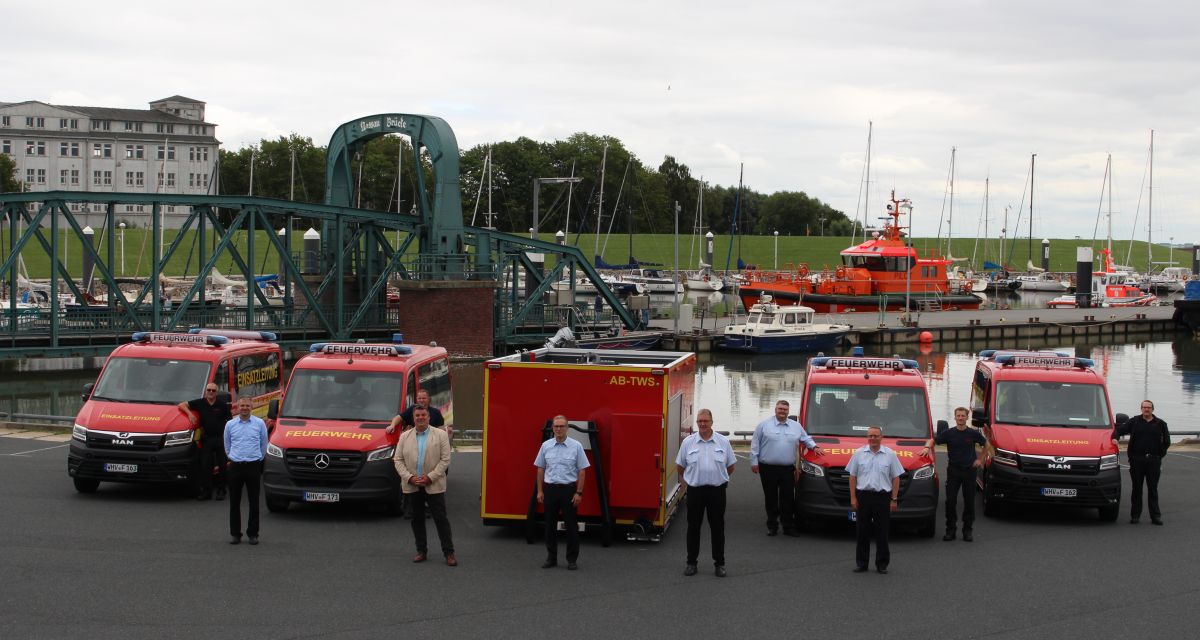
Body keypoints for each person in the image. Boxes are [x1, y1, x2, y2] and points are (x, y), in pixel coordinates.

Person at [750, 399, 824, 537]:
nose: (782, 411)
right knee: (771, 498)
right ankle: (772, 526)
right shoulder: (763, 425)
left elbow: (805, 438)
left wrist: (814, 446)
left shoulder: (796, 426)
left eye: (785, 409)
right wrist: (754, 462)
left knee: (788, 498)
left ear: (788, 411)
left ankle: (788, 526)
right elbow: (755, 445)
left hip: (787, 469)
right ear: (775, 410)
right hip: (768, 468)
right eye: (780, 409)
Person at [676, 409, 736, 578]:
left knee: (718, 528)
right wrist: (692, 478)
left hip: (717, 491)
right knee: (693, 527)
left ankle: (720, 564)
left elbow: (730, 466)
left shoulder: (723, 442)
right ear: (697, 423)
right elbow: (680, 466)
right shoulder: (688, 442)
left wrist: (718, 477)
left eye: (706, 421)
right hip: (695, 491)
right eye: (700, 421)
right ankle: (691, 563)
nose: (702, 424)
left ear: (711, 422)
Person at [393, 405, 457, 566]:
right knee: (417, 519)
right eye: (417, 415)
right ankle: (421, 551)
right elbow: (398, 460)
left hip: (434, 484)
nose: (420, 417)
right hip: (413, 485)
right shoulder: (404, 436)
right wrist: (409, 478)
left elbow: (445, 460)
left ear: (429, 417)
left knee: (441, 519)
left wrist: (430, 477)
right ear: (413, 418)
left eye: (423, 415)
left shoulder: (441, 435)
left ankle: (449, 553)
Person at [534, 415, 591, 570]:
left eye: (561, 426)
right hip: (550, 490)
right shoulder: (546, 446)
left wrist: (579, 493)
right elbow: (540, 469)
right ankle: (551, 558)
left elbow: (582, 471)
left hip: (568, 490)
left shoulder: (576, 446)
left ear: (567, 428)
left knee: (571, 526)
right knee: (549, 526)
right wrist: (540, 491)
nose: (558, 429)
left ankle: (571, 560)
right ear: (552, 428)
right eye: (556, 426)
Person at [923, 407, 986, 541]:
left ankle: (967, 531)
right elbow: (934, 440)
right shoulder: (949, 433)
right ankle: (950, 530)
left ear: (967, 417)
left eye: (963, 416)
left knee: (969, 502)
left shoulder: (972, 433)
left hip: (969, 471)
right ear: (955, 417)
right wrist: (927, 447)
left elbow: (987, 445)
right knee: (950, 501)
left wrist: (980, 460)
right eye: (958, 416)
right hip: (954, 471)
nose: (961, 418)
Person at [847, 426, 904, 574]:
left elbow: (896, 478)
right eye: (870, 436)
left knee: (882, 532)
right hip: (863, 496)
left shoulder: (890, 455)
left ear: (881, 437)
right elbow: (852, 476)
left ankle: (882, 564)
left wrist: (894, 499)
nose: (873, 438)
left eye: (876, 436)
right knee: (862, 531)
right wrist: (853, 497)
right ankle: (862, 563)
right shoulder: (859, 454)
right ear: (867, 437)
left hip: (882, 497)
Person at [1112, 400, 1171, 525]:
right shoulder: (1134, 422)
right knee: (1137, 489)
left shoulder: (1161, 424)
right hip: (1137, 460)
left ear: (1152, 409)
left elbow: (1167, 442)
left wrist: (1159, 456)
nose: (1146, 410)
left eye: (1149, 407)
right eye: (1144, 407)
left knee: (1153, 489)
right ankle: (1135, 516)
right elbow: (1119, 430)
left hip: (1153, 461)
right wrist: (1115, 438)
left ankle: (1155, 517)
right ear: (1141, 409)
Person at [223, 397, 268, 545]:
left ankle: (253, 534)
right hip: (235, 466)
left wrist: (257, 458)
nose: (244, 408)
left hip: (253, 465)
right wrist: (232, 457)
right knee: (234, 502)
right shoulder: (230, 424)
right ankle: (235, 534)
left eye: (247, 405)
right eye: (242, 405)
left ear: (252, 407)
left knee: (254, 501)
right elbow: (227, 444)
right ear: (237, 407)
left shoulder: (260, 423)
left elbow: (263, 444)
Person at [178, 384, 233, 501]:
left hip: (220, 438)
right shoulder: (200, 403)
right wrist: (190, 414)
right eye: (209, 390)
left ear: (217, 393)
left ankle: (221, 491)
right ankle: (206, 492)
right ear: (205, 392)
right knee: (205, 466)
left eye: (213, 390)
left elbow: (230, 422)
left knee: (223, 466)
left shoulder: (222, 405)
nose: (211, 392)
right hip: (207, 439)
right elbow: (181, 405)